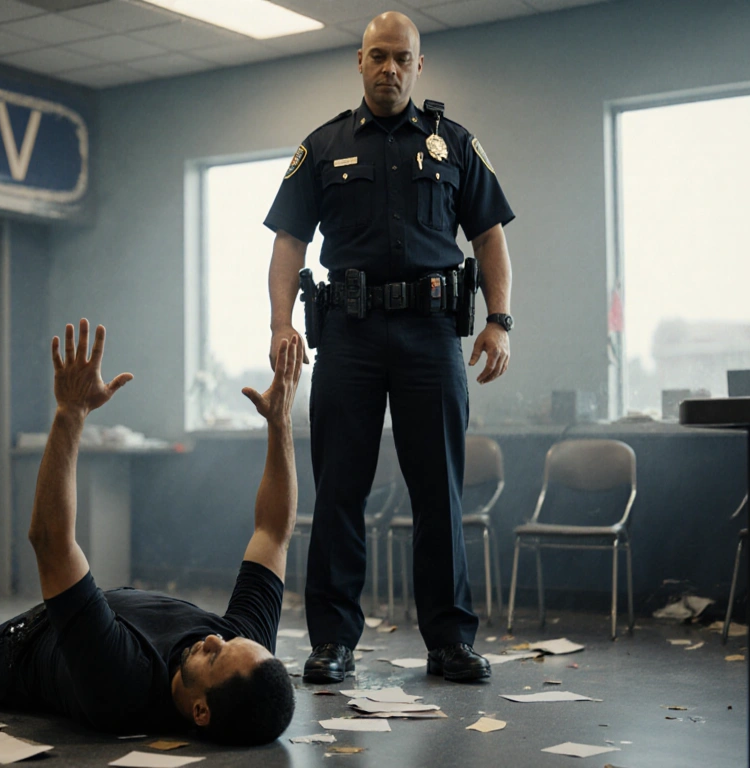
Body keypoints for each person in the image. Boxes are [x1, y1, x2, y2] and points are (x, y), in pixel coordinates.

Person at [263, 11, 516, 684]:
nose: (390, 69)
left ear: (419, 64)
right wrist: (280, 322)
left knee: (438, 491)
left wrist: (500, 320)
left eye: (402, 58)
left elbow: (489, 235)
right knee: (340, 491)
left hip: (431, 336)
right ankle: (333, 643)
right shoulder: (322, 147)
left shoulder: (454, 144)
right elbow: (288, 242)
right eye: (378, 55)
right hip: (347, 336)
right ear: (359, 60)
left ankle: (449, 641)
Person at [0, 319, 301, 745]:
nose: (213, 637)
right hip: (111, 610)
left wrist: (71, 414)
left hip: (29, 647)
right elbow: (272, 533)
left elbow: (50, 542)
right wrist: (280, 423)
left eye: (214, 655)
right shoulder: (248, 652)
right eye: (228, 640)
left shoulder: (123, 686)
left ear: (200, 710)